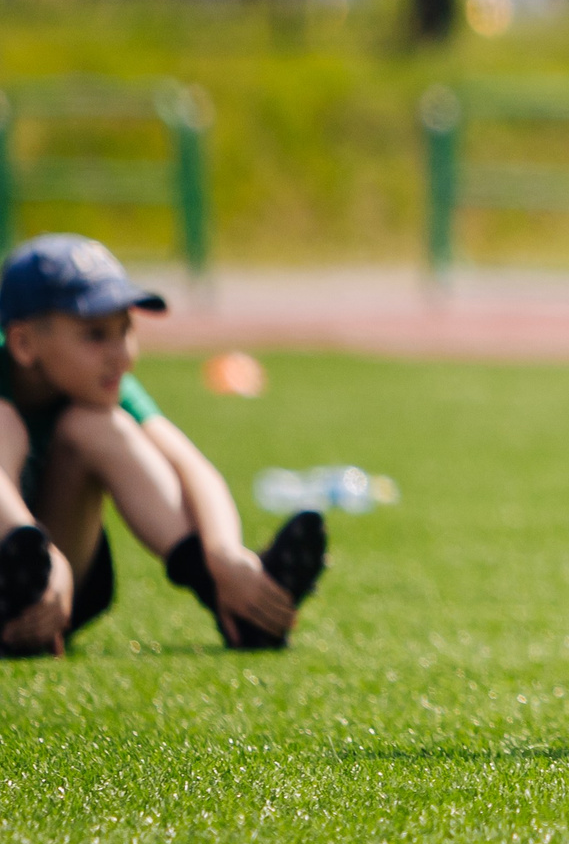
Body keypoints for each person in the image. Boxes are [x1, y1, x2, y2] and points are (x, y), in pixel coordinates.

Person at [1, 234, 326, 656]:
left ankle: (236, 602)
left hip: (59, 598)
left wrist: (224, 555)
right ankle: (26, 570)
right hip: (31, 573)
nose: (123, 355)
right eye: (96, 335)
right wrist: (43, 556)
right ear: (24, 344)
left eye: (126, 330)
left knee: (98, 427)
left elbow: (193, 468)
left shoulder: (104, 391)